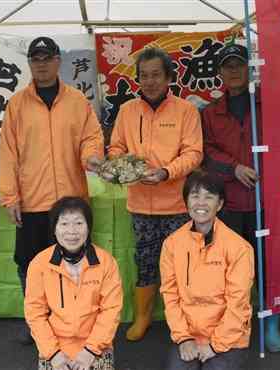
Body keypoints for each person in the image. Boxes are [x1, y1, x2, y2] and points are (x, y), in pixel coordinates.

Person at [0, 37, 104, 344]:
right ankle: (37, 321)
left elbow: (91, 138)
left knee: (75, 263)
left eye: (47, 58)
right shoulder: (17, 104)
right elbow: (8, 154)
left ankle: (73, 320)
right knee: (30, 265)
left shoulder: (77, 101)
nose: (41, 64)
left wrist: (92, 157)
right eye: (36, 59)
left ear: (59, 60)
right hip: (32, 201)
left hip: (71, 202)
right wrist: (10, 197)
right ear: (30, 64)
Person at [108, 47, 203, 341]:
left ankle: (187, 321)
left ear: (169, 78)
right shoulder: (127, 111)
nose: (149, 82)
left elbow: (194, 153)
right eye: (144, 76)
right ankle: (143, 317)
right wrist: (124, 167)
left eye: (156, 75)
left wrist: (166, 172)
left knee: (184, 265)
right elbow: (115, 148)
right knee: (146, 262)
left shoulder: (185, 110)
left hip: (176, 205)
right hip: (140, 205)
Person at [201, 43, 280, 352]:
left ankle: (271, 322)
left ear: (249, 68)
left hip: (267, 203)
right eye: (227, 66)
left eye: (239, 64)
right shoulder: (210, 113)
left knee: (268, 267)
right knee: (230, 267)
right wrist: (234, 168)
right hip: (229, 203)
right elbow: (206, 151)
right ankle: (234, 322)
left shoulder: (269, 104)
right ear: (220, 72)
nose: (233, 71)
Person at [160, 170, 254, 370]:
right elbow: (170, 295)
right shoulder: (172, 244)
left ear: (219, 204)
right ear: (186, 202)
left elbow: (238, 304)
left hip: (229, 337)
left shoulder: (239, 248)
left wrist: (215, 345)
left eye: (208, 197)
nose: (200, 203)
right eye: (195, 196)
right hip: (189, 333)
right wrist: (183, 337)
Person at [25, 196, 123, 370]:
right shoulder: (39, 264)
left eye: (79, 223)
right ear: (54, 229)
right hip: (55, 346)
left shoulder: (106, 262)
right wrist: (53, 355)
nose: (72, 231)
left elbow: (111, 311)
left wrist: (90, 351)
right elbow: (35, 313)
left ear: (88, 228)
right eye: (64, 224)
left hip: (95, 345)